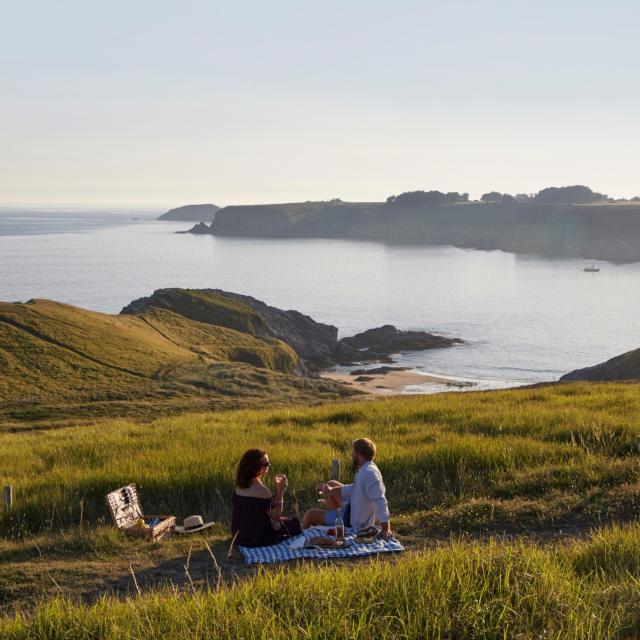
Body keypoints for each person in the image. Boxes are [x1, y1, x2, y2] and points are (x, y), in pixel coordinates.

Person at [302, 438, 393, 540]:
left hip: (351, 520)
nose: (351, 454)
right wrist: (330, 490)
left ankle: (303, 538)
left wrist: (386, 529)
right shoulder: (367, 468)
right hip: (352, 508)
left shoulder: (369, 474)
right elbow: (354, 489)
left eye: (353, 451)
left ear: (359, 454)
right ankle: (333, 518)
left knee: (310, 515)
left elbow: (380, 500)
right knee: (331, 483)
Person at [230, 448, 301, 547]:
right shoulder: (263, 491)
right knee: (293, 525)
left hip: (239, 536)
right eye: (266, 463)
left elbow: (264, 509)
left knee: (283, 521)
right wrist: (280, 491)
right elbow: (275, 516)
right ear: (256, 467)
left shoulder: (239, 486)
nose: (269, 465)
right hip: (257, 538)